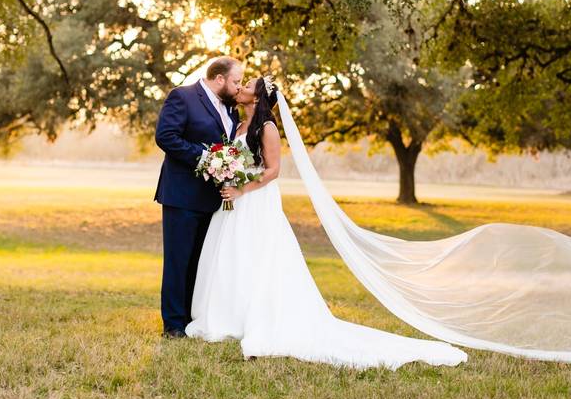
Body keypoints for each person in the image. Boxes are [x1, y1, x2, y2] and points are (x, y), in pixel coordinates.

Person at [184, 76, 468, 369]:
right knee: (234, 256)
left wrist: (241, 189)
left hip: (256, 201)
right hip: (236, 200)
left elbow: (273, 171)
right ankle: (228, 316)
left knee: (258, 257)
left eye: (246, 87)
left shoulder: (267, 128)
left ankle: (257, 319)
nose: (239, 89)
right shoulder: (239, 125)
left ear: (257, 98)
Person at [153, 56, 244, 338]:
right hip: (181, 195)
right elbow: (165, 136)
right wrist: (205, 157)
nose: (239, 87)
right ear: (220, 79)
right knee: (178, 261)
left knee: (199, 263)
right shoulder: (183, 97)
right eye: (236, 81)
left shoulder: (231, 109)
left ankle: (193, 319)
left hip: (212, 199)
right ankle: (174, 325)